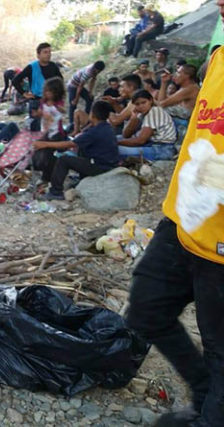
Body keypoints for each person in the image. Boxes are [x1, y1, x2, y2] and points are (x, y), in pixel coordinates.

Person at [126, 3, 224, 422]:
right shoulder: (219, 58)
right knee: (146, 310)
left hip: (220, 252)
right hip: (183, 223)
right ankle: (204, 392)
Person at [35, 101, 118, 200]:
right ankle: (82, 178)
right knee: (82, 148)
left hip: (100, 166)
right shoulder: (105, 127)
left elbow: (70, 144)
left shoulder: (95, 132)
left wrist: (45, 144)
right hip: (107, 162)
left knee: (64, 160)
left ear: (93, 114)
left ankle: (56, 191)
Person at [12, 42, 63, 131]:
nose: (48, 54)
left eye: (50, 52)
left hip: (51, 102)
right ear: (38, 55)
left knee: (50, 128)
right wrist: (24, 93)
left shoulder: (53, 66)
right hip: (36, 101)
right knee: (35, 128)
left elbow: (60, 82)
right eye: (45, 52)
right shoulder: (32, 67)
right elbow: (15, 80)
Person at [118, 90, 177, 160]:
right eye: (137, 104)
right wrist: (133, 119)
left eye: (143, 102)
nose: (141, 106)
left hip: (162, 149)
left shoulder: (154, 111)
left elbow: (140, 140)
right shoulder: (141, 114)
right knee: (115, 139)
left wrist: (117, 143)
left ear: (151, 101)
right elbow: (125, 135)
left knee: (117, 151)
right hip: (151, 145)